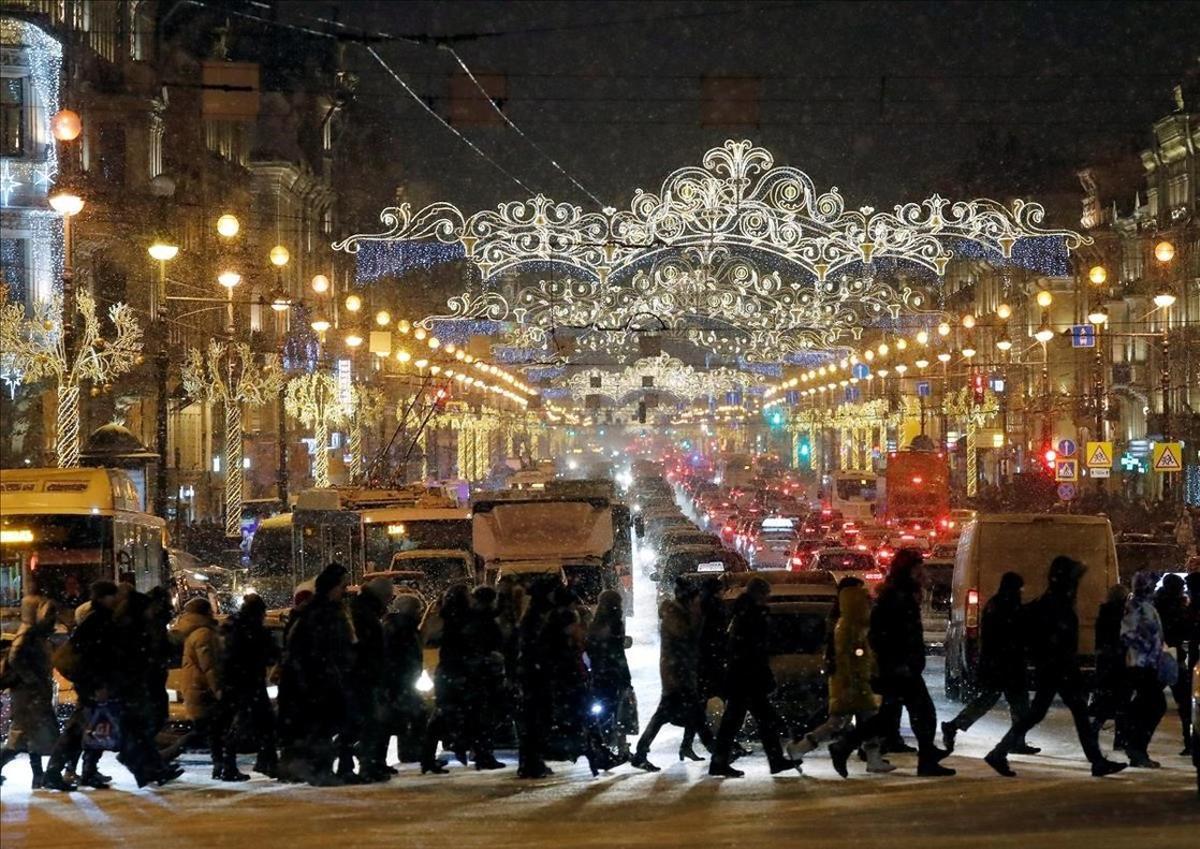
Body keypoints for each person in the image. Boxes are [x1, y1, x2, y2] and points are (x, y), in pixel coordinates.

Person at [985, 556, 1126, 778]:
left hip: (1053, 668)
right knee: (1065, 714)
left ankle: (999, 752)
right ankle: (1096, 761)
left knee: (1041, 714)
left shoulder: (1052, 600)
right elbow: (1058, 641)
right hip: (1058, 668)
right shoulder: (1057, 603)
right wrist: (1068, 668)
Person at [789, 582, 894, 776]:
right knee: (848, 721)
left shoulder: (850, 624)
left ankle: (801, 748)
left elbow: (860, 655)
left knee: (850, 721)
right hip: (852, 683)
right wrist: (858, 679)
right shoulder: (847, 626)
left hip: (852, 682)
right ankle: (801, 748)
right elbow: (850, 658)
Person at [869, 550, 954, 776]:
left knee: (890, 715)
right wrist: (899, 660)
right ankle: (927, 757)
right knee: (923, 712)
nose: (922, 571)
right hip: (900, 666)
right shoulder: (897, 595)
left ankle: (845, 745)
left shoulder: (902, 592)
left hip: (903, 664)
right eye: (919, 567)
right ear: (909, 569)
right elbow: (884, 633)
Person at [941, 572, 1038, 755]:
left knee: (988, 701)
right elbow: (1013, 631)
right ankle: (1017, 740)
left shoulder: (998, 604)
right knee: (1018, 703)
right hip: (1007, 664)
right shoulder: (1007, 606)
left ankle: (954, 726)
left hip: (998, 664)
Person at [276, 563, 355, 785]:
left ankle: (310, 768)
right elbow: (322, 651)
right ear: (331, 588)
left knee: (318, 728)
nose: (345, 591)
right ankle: (319, 770)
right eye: (342, 586)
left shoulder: (313, 612)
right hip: (318, 683)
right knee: (320, 728)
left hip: (315, 682)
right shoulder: (322, 615)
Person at [709, 576, 795, 778]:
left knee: (737, 722)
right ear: (760, 594)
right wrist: (762, 674)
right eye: (766, 595)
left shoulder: (742, 613)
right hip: (748, 678)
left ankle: (721, 761)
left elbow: (744, 648)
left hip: (742, 677)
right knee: (756, 720)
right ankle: (774, 760)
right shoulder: (752, 615)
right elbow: (755, 650)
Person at [43, 581, 123, 790]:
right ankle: (55, 771)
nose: (116, 599)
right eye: (113, 595)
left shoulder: (97, 620)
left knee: (95, 727)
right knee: (79, 729)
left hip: (92, 683)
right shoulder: (99, 621)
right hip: (93, 685)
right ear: (105, 597)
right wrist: (99, 684)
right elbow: (95, 658)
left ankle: (83, 770)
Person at [631, 578, 715, 772]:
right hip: (676, 674)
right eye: (695, 599)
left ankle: (641, 753)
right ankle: (718, 755)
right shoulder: (674, 614)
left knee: (671, 716)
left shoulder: (679, 613)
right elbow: (687, 636)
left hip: (680, 673)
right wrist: (697, 616)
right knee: (693, 716)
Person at [175, 597, 244, 780]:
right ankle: (227, 768)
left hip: (198, 690)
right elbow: (210, 666)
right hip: (206, 691)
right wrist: (218, 689)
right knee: (225, 730)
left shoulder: (194, 632)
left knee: (212, 732)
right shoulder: (204, 633)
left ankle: (220, 766)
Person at [0, 592, 59, 787]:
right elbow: (15, 658)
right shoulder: (27, 634)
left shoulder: (34, 633)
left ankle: (38, 776)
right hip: (27, 694)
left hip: (32, 692)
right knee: (20, 736)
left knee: (31, 735)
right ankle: (38, 775)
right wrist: (31, 680)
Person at [220, 593, 280, 777]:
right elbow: (269, 654)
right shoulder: (253, 630)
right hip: (251, 682)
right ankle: (265, 762)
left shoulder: (233, 627)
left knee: (240, 724)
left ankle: (231, 764)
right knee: (263, 724)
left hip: (235, 682)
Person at [341, 576, 393, 782]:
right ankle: (365, 764)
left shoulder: (361, 610)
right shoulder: (365, 614)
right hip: (364, 676)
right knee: (366, 722)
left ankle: (365, 763)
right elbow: (367, 647)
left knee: (364, 722)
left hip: (363, 675)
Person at [421, 584, 472, 773]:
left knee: (443, 715)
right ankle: (457, 747)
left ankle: (430, 757)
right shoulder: (460, 620)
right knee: (449, 715)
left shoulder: (443, 618)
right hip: (455, 672)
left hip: (447, 672)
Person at [1121, 571, 1168, 768]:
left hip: (1144, 664)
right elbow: (1129, 635)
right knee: (1154, 705)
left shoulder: (1141, 606)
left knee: (1148, 705)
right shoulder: (1139, 607)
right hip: (1142, 665)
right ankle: (1136, 748)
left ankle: (1135, 746)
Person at [587, 589, 637, 759]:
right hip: (614, 674)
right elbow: (617, 651)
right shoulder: (615, 624)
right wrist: (624, 676)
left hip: (599, 674)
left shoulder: (594, 625)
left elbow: (591, 648)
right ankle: (620, 746)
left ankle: (604, 745)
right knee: (620, 711)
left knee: (605, 711)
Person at [516, 577, 557, 779]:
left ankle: (533, 761)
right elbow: (535, 646)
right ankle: (530, 762)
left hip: (535, 674)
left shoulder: (536, 615)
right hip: (534, 676)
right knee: (534, 722)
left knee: (535, 722)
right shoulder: (535, 618)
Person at [463, 586, 506, 770]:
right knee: (486, 716)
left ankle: (479, 750)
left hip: (477, 673)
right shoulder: (485, 619)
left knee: (480, 715)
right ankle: (483, 753)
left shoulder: (473, 616)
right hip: (485, 673)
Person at [381, 594, 428, 765]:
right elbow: (399, 655)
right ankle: (411, 753)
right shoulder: (402, 628)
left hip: (403, 680)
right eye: (418, 610)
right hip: (400, 681)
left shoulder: (401, 626)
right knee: (411, 715)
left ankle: (410, 753)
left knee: (406, 717)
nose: (420, 614)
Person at [1090, 584, 1132, 750]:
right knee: (1122, 704)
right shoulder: (1123, 615)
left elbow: (1102, 643)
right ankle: (1120, 740)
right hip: (1120, 665)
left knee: (1105, 703)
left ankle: (1093, 732)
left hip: (1106, 665)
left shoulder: (1104, 613)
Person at [1155, 573, 1190, 754]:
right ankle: (1189, 742)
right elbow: (1184, 630)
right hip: (1173, 656)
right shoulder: (1176, 607)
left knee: (1150, 699)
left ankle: (1133, 742)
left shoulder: (1157, 604)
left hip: (1158, 656)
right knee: (1184, 703)